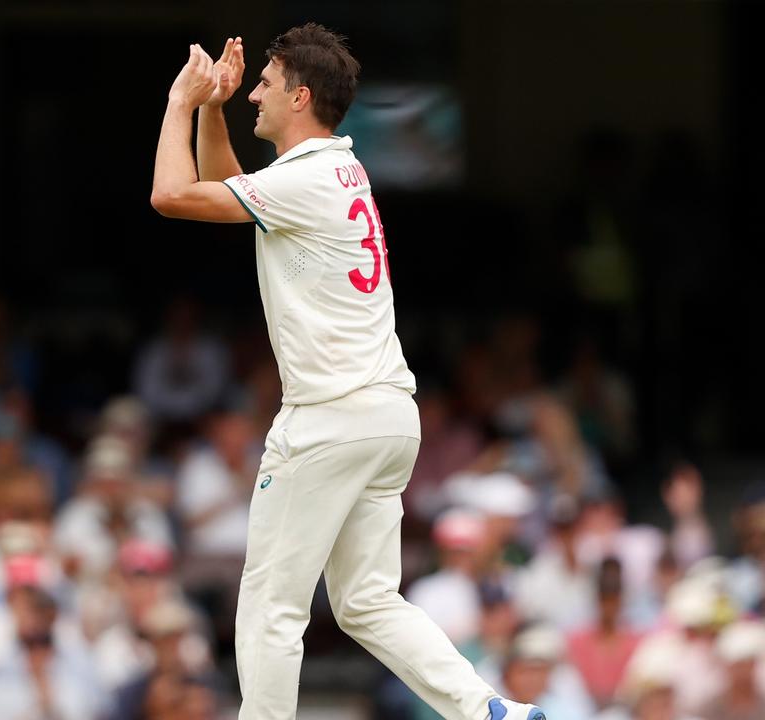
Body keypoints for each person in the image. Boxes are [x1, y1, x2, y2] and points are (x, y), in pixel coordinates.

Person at [150, 24, 544, 720]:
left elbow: (173, 197)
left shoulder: (302, 181)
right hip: (388, 418)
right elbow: (232, 188)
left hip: (328, 418)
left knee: (270, 601)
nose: (256, 97)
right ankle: (488, 710)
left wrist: (180, 102)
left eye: (265, 86)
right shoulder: (340, 168)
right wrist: (216, 107)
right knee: (365, 600)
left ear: (300, 96)